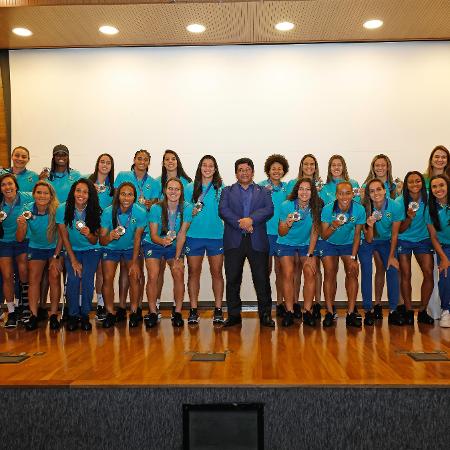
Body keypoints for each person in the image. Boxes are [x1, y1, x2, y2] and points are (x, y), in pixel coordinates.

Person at [219, 158, 274, 327]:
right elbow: (223, 210)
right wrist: (240, 223)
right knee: (233, 279)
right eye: (240, 169)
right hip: (234, 241)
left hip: (257, 240)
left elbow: (269, 210)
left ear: (252, 172)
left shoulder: (263, 191)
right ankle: (234, 315)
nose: (244, 172)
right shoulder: (227, 191)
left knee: (262, 279)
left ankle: (265, 315)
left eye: (247, 169)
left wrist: (251, 220)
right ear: (236, 173)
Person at [142, 177, 193, 328]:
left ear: (181, 192)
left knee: (178, 271)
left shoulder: (187, 208)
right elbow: (153, 235)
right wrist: (162, 241)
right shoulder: (157, 208)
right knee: (153, 274)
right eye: (170, 188)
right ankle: (152, 312)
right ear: (165, 190)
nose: (173, 192)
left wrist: (177, 257)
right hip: (155, 243)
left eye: (177, 189)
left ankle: (177, 312)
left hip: (175, 245)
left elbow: (182, 234)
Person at [114, 149, 158, 320]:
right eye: (139, 158)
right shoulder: (123, 175)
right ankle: (122, 306)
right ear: (134, 159)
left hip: (143, 230)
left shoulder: (153, 182)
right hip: (123, 227)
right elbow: (116, 199)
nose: (142, 161)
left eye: (145, 159)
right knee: (124, 271)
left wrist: (150, 203)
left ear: (149, 162)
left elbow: (156, 204)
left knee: (136, 270)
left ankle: (137, 306)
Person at [16, 181, 62, 330]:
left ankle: (54, 314)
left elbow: (62, 236)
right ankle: (33, 315)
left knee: (54, 278)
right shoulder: (27, 210)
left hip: (55, 248)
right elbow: (20, 238)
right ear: (34, 194)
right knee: (33, 279)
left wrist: (55, 257)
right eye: (39, 192)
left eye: (45, 193)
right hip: (35, 248)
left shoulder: (57, 210)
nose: (42, 196)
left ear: (51, 195)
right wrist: (22, 225)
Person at [184, 155, 225, 324]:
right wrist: (190, 212)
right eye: (204, 165)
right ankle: (193, 309)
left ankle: (218, 309)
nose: (207, 168)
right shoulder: (188, 188)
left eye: (211, 166)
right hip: (193, 236)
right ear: (200, 168)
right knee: (194, 273)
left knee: (217, 273)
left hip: (216, 236)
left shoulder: (221, 189)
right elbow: (182, 211)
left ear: (215, 169)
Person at [56, 178, 102, 331]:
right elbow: (64, 237)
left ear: (90, 195)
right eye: (78, 191)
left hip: (91, 250)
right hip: (72, 250)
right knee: (74, 279)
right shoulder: (63, 209)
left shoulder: (95, 210)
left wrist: (89, 234)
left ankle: (85, 315)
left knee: (88, 281)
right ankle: (73, 315)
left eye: (85, 192)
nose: (81, 194)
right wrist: (73, 260)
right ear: (73, 192)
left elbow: (95, 240)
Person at [99, 182, 146, 328]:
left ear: (134, 197)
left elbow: (137, 238)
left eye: (130, 194)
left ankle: (133, 311)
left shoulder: (140, 212)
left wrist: (134, 263)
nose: (126, 197)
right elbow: (102, 240)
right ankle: (110, 312)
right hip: (111, 248)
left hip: (130, 248)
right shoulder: (108, 212)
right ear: (118, 196)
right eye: (123, 194)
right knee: (107, 278)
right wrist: (110, 236)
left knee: (134, 276)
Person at [319, 181, 366, 328]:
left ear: (353, 194)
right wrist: (334, 226)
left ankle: (351, 312)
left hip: (348, 244)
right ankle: (330, 311)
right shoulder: (327, 209)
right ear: (336, 194)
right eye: (341, 193)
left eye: (348, 193)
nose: (344, 196)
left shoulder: (359, 209)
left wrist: (353, 257)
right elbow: (324, 235)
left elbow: (358, 235)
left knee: (352, 272)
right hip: (329, 243)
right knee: (329, 273)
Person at [360, 154, 402, 317]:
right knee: (367, 269)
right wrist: (369, 225)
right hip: (368, 241)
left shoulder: (395, 205)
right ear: (367, 193)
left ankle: (393, 309)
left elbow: (395, 234)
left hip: (386, 241)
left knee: (392, 268)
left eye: (379, 189)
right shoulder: (364, 207)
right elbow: (369, 239)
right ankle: (368, 308)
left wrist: (392, 256)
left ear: (385, 190)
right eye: (371, 191)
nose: (376, 193)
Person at [277, 178, 321, 327]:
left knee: (310, 272)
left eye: (308, 189)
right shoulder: (286, 205)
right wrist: (288, 224)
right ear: (296, 191)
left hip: (306, 244)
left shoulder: (316, 206)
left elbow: (315, 232)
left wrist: (309, 256)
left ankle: (307, 311)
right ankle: (289, 311)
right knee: (288, 273)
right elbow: (281, 232)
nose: (304, 192)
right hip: (286, 242)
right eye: (301, 189)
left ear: (312, 192)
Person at [286, 153, 323, 320]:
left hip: (317, 236)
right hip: (295, 236)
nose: (309, 167)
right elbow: (290, 206)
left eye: (312, 164)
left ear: (316, 167)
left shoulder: (323, 184)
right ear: (301, 166)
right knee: (293, 271)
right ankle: (293, 305)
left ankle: (315, 305)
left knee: (314, 271)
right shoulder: (292, 184)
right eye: (306, 164)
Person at [397, 171, 434, 325]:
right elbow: (400, 229)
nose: (415, 184)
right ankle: (408, 310)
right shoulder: (400, 201)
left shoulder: (428, 196)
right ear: (406, 185)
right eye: (411, 182)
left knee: (428, 273)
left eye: (418, 181)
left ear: (422, 182)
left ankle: (423, 310)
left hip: (423, 239)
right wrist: (409, 218)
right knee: (406, 274)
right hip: (404, 239)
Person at [258, 154, 289, 319]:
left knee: (281, 271)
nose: (276, 171)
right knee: (265, 271)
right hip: (264, 234)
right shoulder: (260, 187)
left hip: (282, 235)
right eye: (273, 168)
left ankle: (280, 303)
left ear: (284, 170)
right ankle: (266, 305)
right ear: (268, 170)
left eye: (279, 168)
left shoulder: (287, 188)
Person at [0, 174, 33, 327]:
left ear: (16, 186)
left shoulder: (26, 197)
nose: (7, 187)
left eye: (10, 184)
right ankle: (11, 312)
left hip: (23, 240)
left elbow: (44, 198)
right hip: (4, 242)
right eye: (4, 185)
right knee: (7, 276)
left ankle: (23, 306)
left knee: (24, 271)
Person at [88, 153, 115, 321]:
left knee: (101, 271)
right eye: (102, 162)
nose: (105, 165)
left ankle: (100, 305)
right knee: (86, 271)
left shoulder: (113, 187)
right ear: (97, 164)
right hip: (89, 231)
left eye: (108, 163)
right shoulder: (87, 182)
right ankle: (80, 305)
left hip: (104, 232)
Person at [426, 175, 450, 327]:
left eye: (441, 185)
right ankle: (446, 311)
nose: (438, 189)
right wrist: (443, 258)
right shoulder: (430, 209)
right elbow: (433, 237)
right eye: (434, 187)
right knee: (446, 275)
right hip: (444, 248)